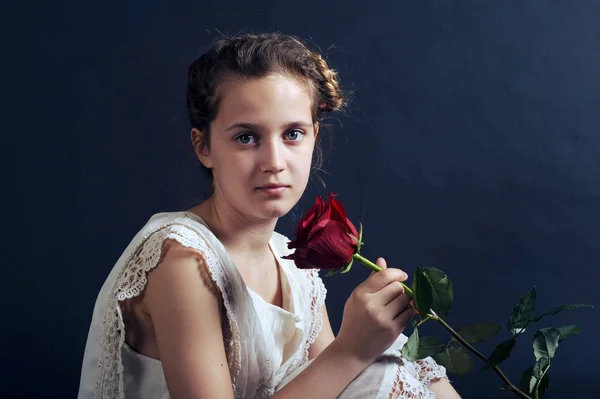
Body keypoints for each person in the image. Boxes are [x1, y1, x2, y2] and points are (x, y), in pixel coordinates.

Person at [78, 32, 461, 399]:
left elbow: (335, 385)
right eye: (246, 137)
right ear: (204, 146)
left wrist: (368, 337)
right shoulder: (183, 262)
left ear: (315, 134)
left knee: (389, 356)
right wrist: (352, 349)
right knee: (375, 365)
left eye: (292, 134)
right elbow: (344, 365)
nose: (274, 163)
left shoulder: (292, 262)